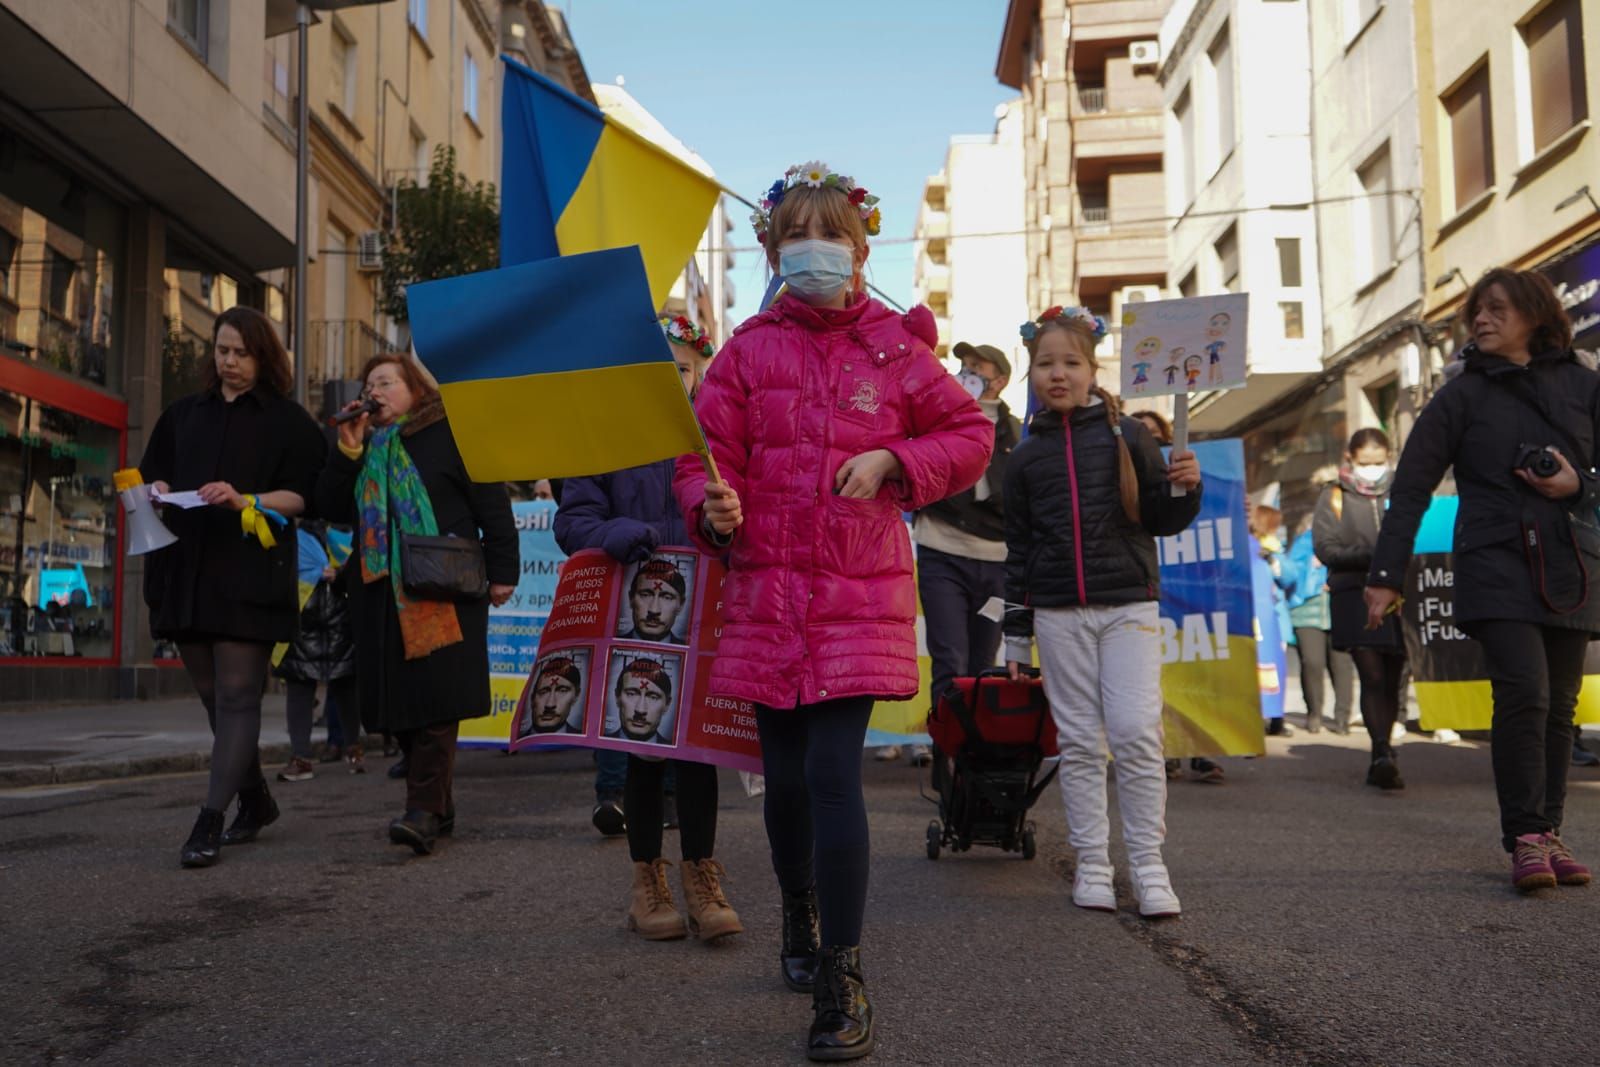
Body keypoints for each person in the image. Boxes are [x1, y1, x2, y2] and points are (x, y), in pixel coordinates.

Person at [676, 161, 991, 1061]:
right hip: (767, 593)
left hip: (858, 595)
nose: (817, 252)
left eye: (836, 239)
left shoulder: (896, 347)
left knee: (830, 775)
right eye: (797, 238)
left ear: (862, 251)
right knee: (781, 783)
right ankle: (800, 906)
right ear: (774, 250)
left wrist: (894, 459)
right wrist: (713, 505)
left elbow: (968, 434)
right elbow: (699, 456)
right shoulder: (745, 351)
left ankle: (843, 970)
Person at [1366, 268, 1600, 891]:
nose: (1482, 320)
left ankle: (1548, 831)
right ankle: (1525, 837)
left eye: (1497, 309)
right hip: (1493, 562)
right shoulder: (1459, 397)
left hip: (1571, 565)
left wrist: (1580, 483)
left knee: (1559, 707)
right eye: (1476, 312)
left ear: (1535, 314)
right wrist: (1386, 575)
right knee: (1524, 691)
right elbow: (1411, 488)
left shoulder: (1584, 384)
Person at [1003, 306, 1202, 919]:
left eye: (1070, 363)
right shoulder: (1023, 458)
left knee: (1137, 734)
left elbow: (1164, 521)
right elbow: (1019, 552)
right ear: (1030, 372)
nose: (1057, 375)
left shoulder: (1131, 437)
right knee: (1081, 745)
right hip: (1058, 614)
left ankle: (1148, 866)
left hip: (1128, 608)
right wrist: (1016, 637)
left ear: (1093, 369)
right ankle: (1093, 862)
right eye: (1045, 364)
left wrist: (1185, 486)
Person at [557, 315, 739, 941]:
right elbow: (573, 518)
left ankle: (701, 876)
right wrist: (611, 533)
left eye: (682, 370)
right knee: (639, 749)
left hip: (701, 611)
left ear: (698, 375)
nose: (670, 381)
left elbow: (741, 513)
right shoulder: (601, 437)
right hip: (630, 612)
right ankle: (647, 880)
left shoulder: (715, 435)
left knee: (697, 751)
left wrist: (721, 527)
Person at [138, 306, 326, 868]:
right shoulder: (181, 415)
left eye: (241, 353)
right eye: (221, 350)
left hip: (250, 572)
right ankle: (257, 798)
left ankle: (209, 820)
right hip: (188, 571)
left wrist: (249, 499)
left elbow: (306, 499)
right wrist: (158, 488)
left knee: (239, 695)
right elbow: (153, 477)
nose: (229, 362)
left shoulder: (288, 421)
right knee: (212, 697)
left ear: (263, 357)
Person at [316, 353, 518, 856]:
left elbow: (490, 502)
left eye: (387, 382)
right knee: (397, 707)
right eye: (369, 384)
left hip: (442, 588)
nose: (376, 391)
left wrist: (503, 572)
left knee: (437, 700)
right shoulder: (361, 446)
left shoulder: (450, 432)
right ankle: (439, 803)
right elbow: (328, 508)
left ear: (416, 389)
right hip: (380, 593)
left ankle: (422, 811)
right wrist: (347, 452)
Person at [875, 342, 1022, 769]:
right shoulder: (937, 419)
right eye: (964, 364)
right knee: (949, 661)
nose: (967, 371)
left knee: (981, 665)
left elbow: (1012, 495)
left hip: (997, 559)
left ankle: (975, 762)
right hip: (942, 550)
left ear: (1000, 380)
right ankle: (946, 765)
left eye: (978, 367)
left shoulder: (1016, 431)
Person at [1132, 409, 1226, 783]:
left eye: (1157, 435)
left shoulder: (1186, 475)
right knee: (1149, 678)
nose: (1150, 442)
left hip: (1188, 597)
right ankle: (1163, 748)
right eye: (1142, 435)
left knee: (1189, 671)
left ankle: (1199, 750)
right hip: (1142, 591)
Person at [1315, 428, 1407, 790]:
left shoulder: (1403, 489)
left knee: (1394, 675)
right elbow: (1326, 547)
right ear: (1350, 458)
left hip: (1402, 595)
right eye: (1365, 463)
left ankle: (1384, 749)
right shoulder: (1333, 494)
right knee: (1371, 675)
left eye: (1379, 462)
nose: (1373, 469)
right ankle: (1381, 751)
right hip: (1354, 594)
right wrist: (1377, 558)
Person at [274, 520, 363, 779]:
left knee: (346, 687)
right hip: (305, 620)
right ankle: (300, 756)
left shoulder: (348, 531)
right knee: (300, 686)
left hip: (339, 619)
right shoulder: (293, 534)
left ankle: (353, 749)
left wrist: (341, 574)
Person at [1274, 499, 1355, 735]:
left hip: (1339, 610)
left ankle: (1342, 718)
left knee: (1342, 665)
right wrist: (1313, 571)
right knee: (1313, 664)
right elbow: (1291, 575)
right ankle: (1315, 714)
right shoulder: (1302, 544)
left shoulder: (1347, 541)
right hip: (1306, 613)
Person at [519, 655, 585, 736]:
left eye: (562, 691)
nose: (550, 704)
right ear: (532, 698)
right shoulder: (518, 747)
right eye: (543, 692)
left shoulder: (586, 747)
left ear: (576, 696)